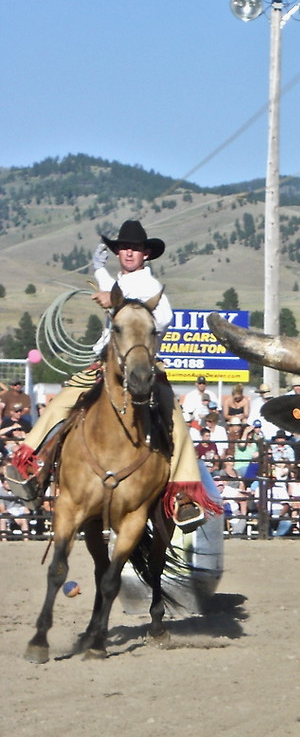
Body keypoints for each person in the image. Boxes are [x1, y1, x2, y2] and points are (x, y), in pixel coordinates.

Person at [2, 220, 221, 531]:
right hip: (108, 366)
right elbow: (103, 276)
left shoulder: (150, 287)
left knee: (175, 422)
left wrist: (115, 303)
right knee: (61, 404)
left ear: (147, 253)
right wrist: (98, 263)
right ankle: (34, 469)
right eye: (123, 247)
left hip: (143, 367)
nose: (128, 252)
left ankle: (183, 497)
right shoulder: (118, 280)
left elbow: (163, 317)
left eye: (134, 247)